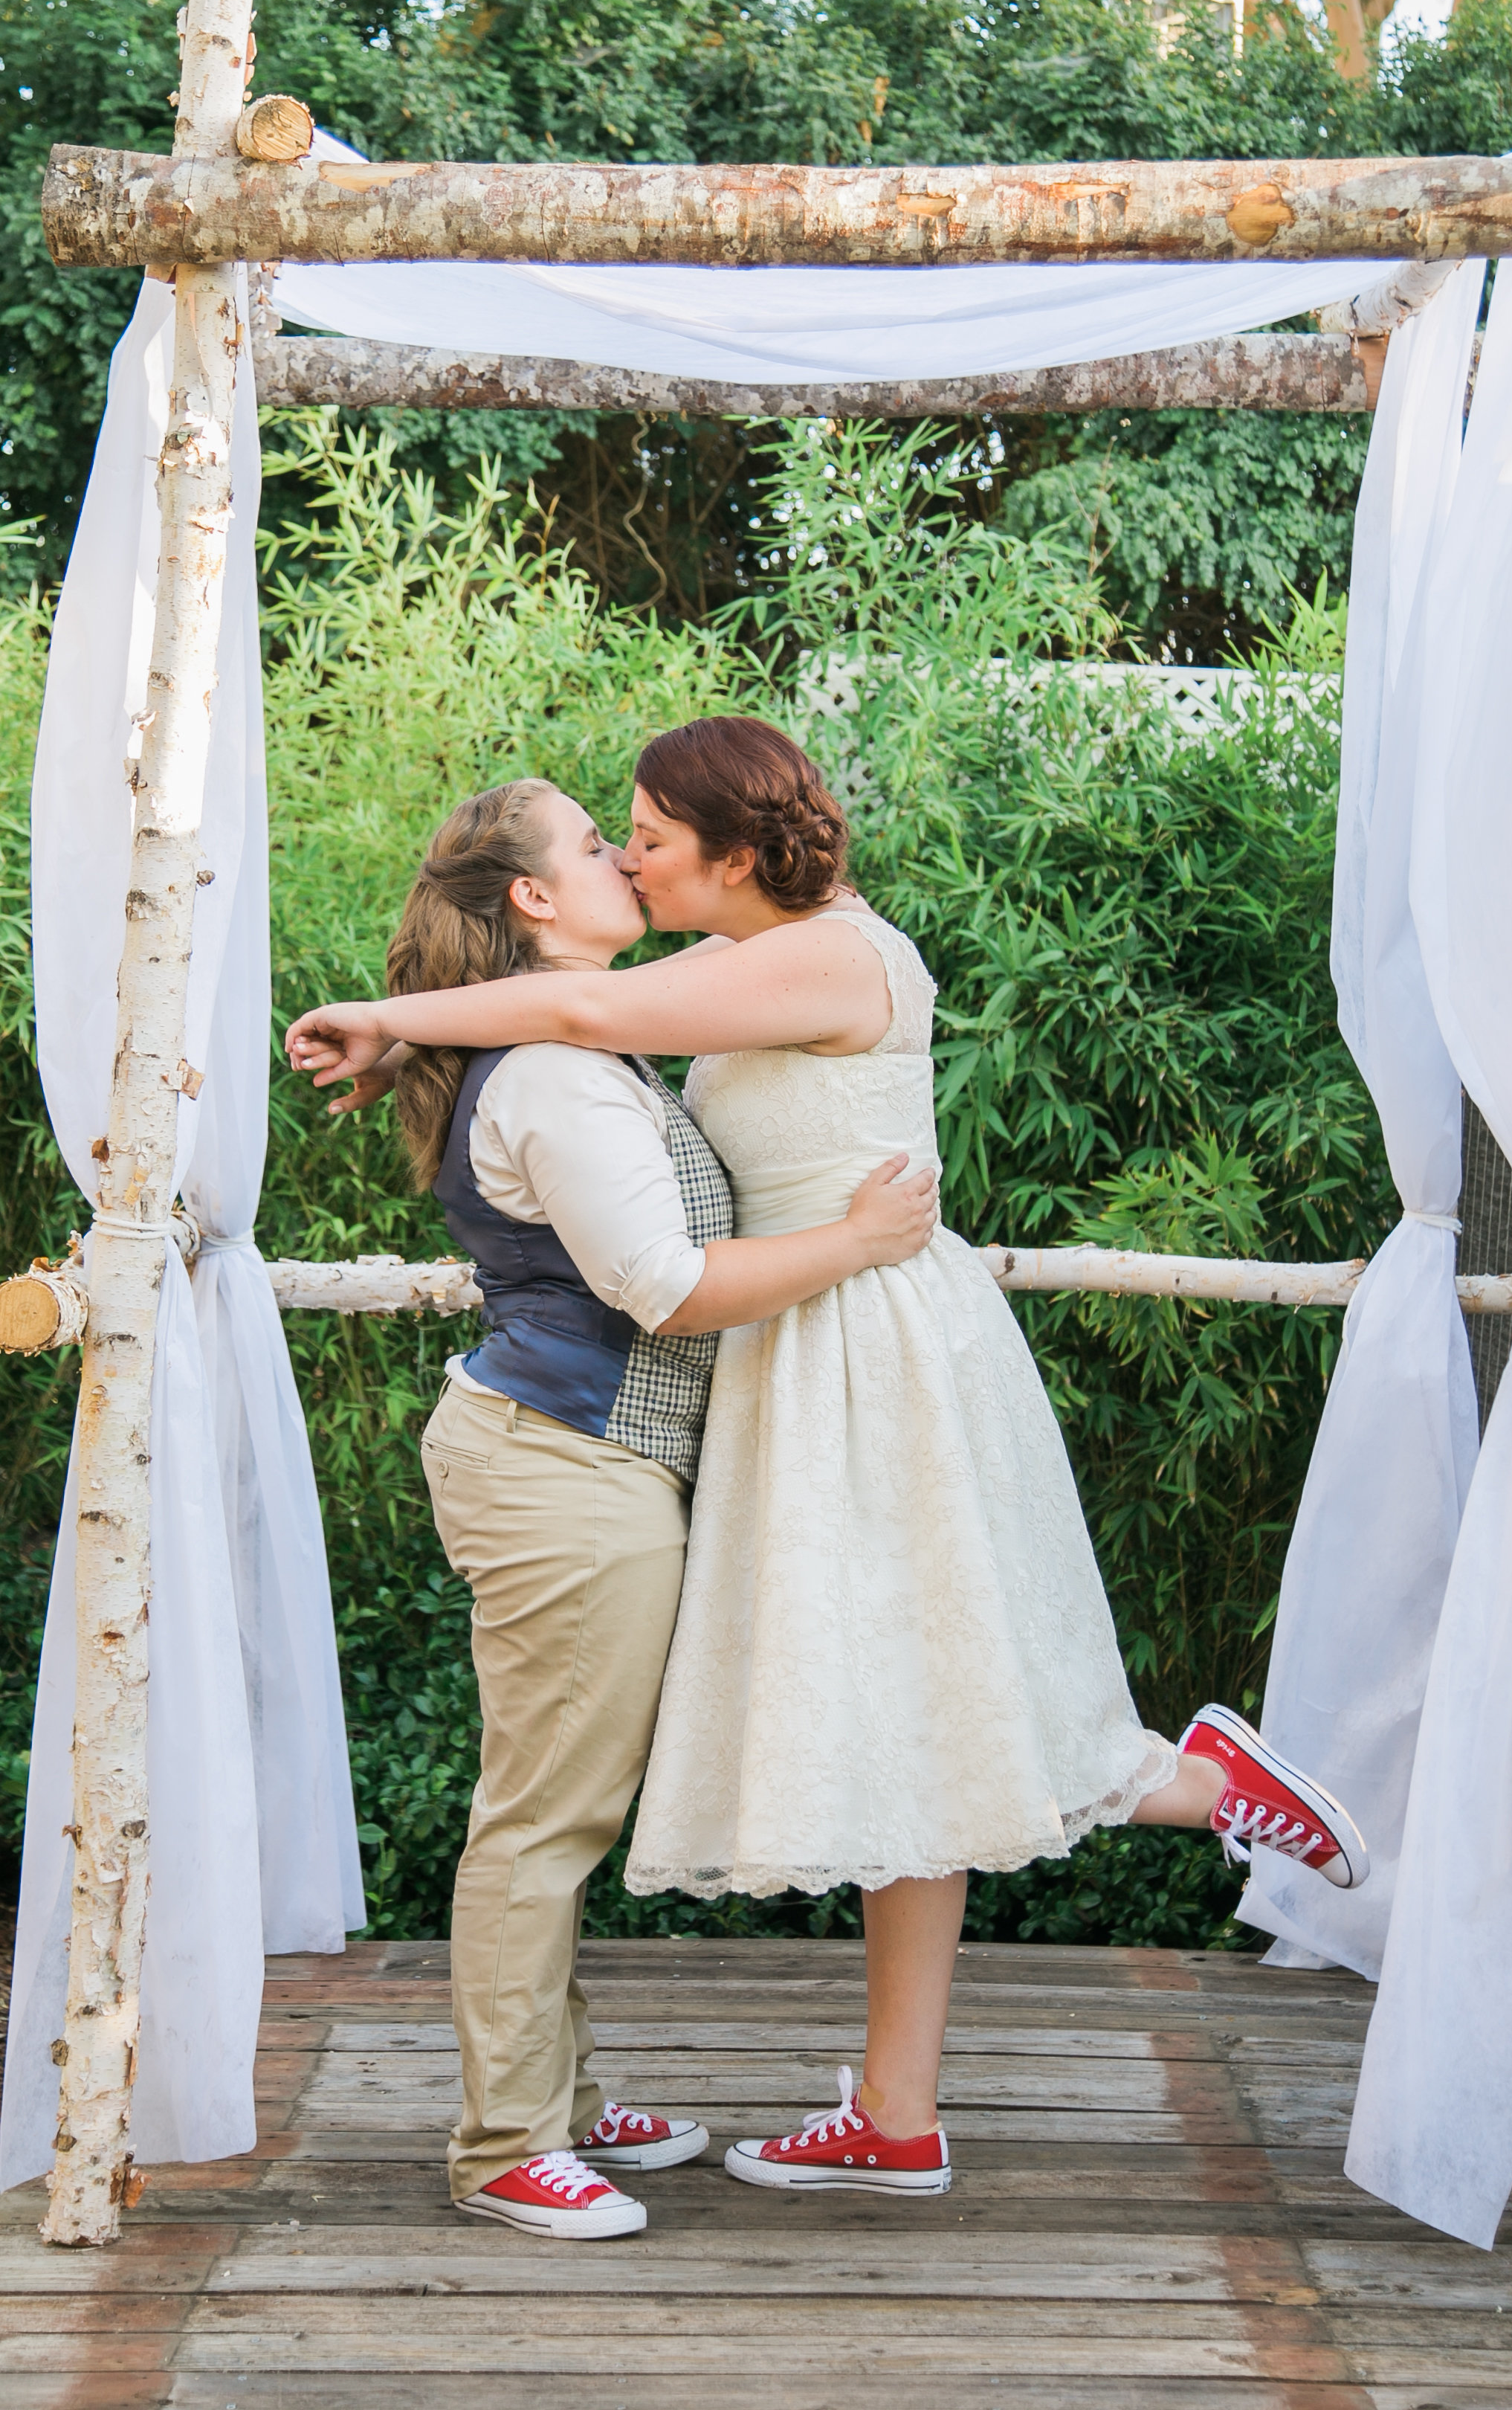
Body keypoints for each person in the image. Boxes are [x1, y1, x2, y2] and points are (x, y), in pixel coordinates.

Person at [289, 718, 1369, 2207]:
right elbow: (587, 1024)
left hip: (863, 1339)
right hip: (799, 1342)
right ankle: (897, 2110)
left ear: (733, 846)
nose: (630, 851)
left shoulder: (830, 957)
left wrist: (385, 1009)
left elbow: (591, 1026)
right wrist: (412, 1024)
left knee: (920, 1687)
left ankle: (1179, 1782)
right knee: (893, 1712)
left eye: (649, 832)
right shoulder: (719, 980)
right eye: (607, 838)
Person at [359, 776, 938, 2242]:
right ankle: (505, 2143)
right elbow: (667, 1291)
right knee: (543, 1818)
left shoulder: (577, 1039)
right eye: (592, 844)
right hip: (561, 1464)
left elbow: (653, 1005)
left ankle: (551, 2091)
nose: (625, 855)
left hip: (586, 1461)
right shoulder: (556, 1072)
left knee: (560, 1800)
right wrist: (853, 1240)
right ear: (536, 902)